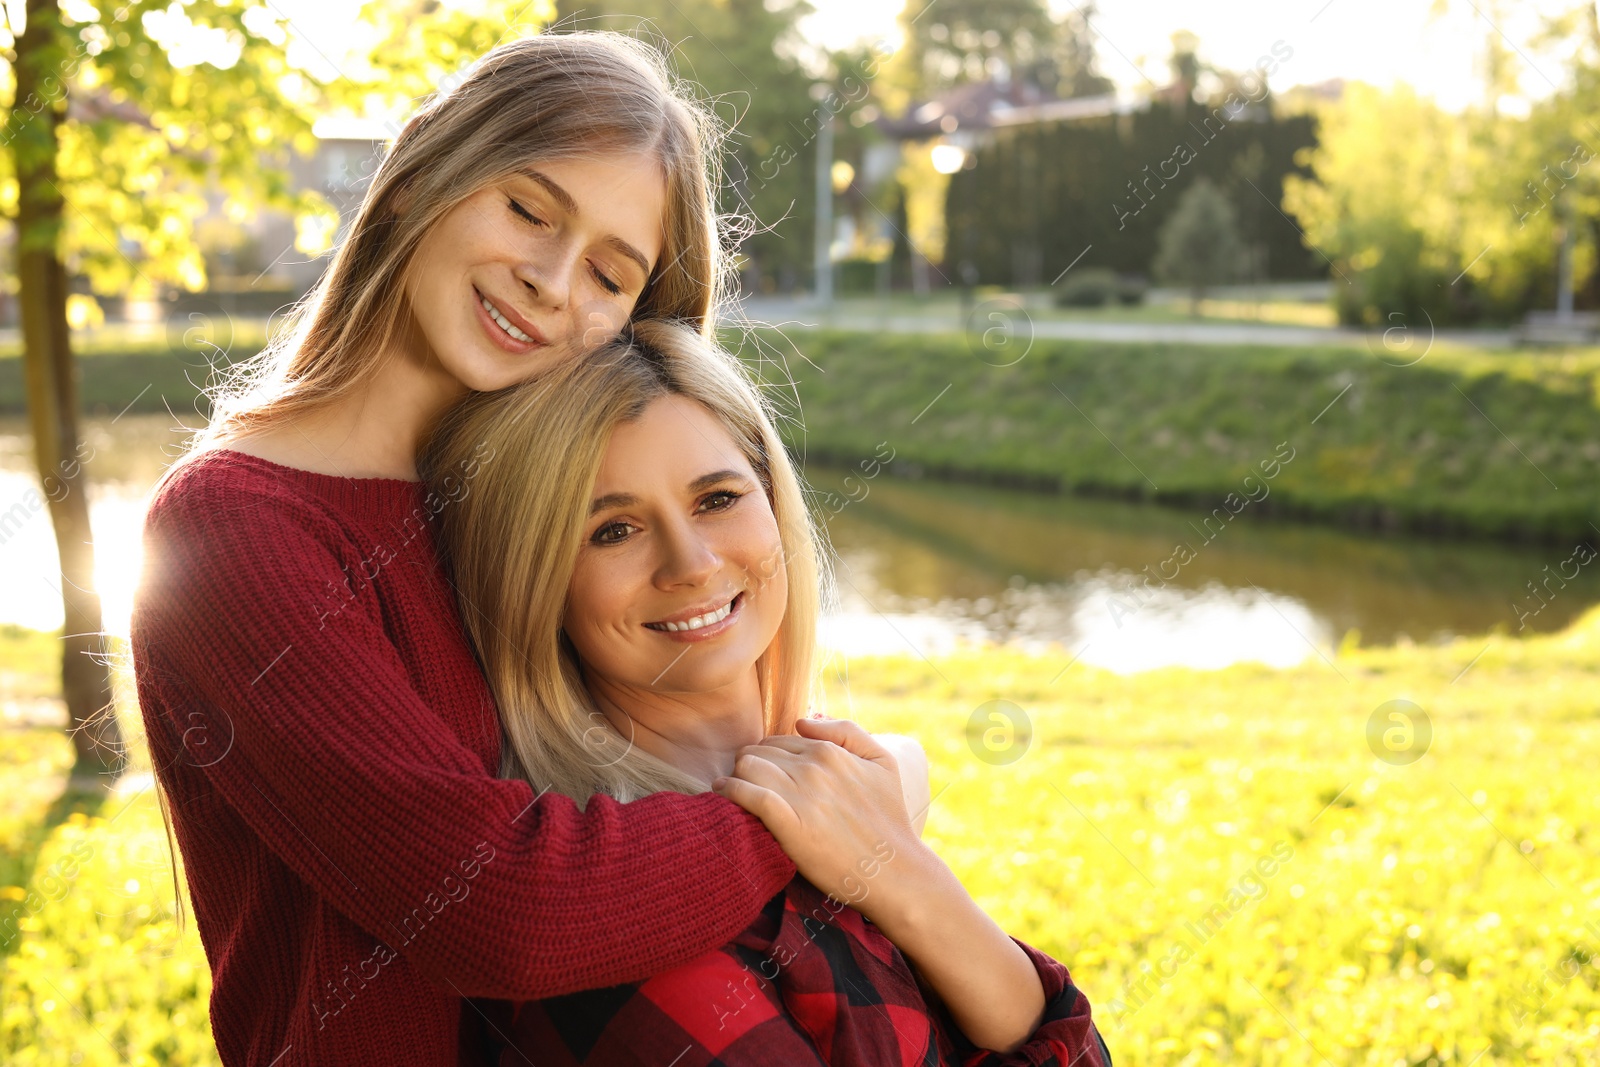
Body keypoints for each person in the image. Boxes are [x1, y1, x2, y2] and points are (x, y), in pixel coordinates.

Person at [132, 33, 819, 1067]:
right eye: (527, 209)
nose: (550, 280)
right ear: (414, 181)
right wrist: (812, 814)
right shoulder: (234, 532)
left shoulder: (529, 509)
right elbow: (494, 908)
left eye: (608, 271)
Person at [421, 318, 1112, 1066]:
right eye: (614, 531)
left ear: (774, 501)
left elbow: (1070, 1046)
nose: (691, 562)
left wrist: (909, 877)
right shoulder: (619, 934)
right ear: (538, 586)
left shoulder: (846, 802)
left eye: (717, 498)